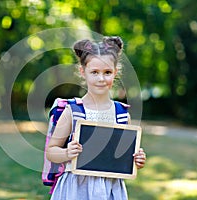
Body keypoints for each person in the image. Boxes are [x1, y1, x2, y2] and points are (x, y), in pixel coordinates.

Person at [46, 36, 146, 200]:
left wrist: (137, 159)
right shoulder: (73, 111)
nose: (101, 78)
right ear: (82, 72)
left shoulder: (121, 115)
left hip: (111, 189)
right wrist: (66, 153)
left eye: (107, 72)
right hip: (75, 188)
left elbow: (123, 156)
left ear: (115, 73)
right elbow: (51, 151)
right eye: (94, 72)